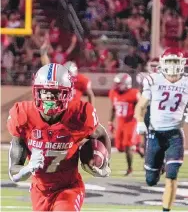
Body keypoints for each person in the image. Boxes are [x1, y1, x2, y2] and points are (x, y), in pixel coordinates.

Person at [7, 63, 111, 211]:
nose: (49, 97)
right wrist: (27, 169)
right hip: (39, 191)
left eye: (56, 93)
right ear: (36, 92)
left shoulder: (79, 115)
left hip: (69, 188)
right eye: (45, 92)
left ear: (67, 94)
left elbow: (101, 134)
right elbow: (14, 172)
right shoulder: (23, 116)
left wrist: (105, 164)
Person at [134, 48, 188, 212]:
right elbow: (140, 106)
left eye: (175, 62)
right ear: (162, 64)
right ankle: (159, 166)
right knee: (150, 180)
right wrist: (140, 121)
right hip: (155, 134)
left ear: (182, 64)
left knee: (172, 175)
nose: (172, 66)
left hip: (174, 135)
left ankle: (166, 210)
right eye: (169, 62)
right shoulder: (153, 80)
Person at [108, 73, 144, 176]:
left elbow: (141, 107)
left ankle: (130, 169)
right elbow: (113, 108)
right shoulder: (113, 93)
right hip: (120, 122)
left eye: (119, 84)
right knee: (119, 147)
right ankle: (136, 148)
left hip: (131, 122)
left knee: (127, 145)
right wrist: (110, 122)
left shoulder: (134, 93)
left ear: (126, 84)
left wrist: (139, 119)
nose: (116, 85)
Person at [40, 41, 95, 106]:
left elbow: (90, 95)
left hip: (74, 109)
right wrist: (43, 54)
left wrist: (91, 109)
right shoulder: (60, 78)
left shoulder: (81, 80)